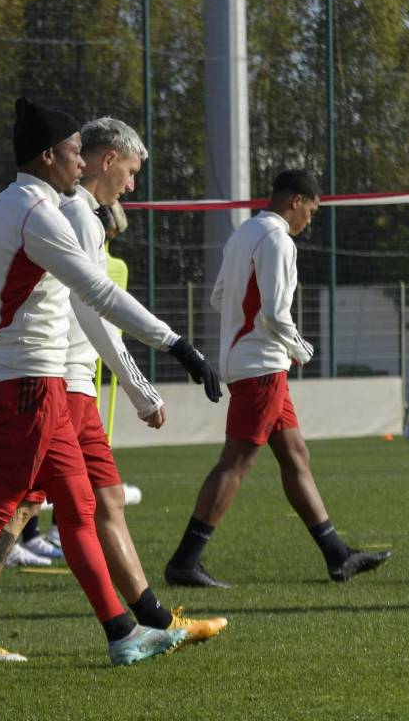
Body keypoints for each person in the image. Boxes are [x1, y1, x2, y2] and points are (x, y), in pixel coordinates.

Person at [0, 98, 222, 675]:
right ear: (47, 156)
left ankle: (123, 634)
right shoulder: (37, 211)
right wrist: (177, 344)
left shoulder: (19, 204)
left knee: (79, 507)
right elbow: (97, 294)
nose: (81, 164)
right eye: (74, 153)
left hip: (40, 380)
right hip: (25, 381)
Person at [164, 169, 391, 588]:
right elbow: (274, 313)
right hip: (262, 366)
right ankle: (184, 561)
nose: (309, 221)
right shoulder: (278, 240)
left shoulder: (243, 233)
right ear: (295, 201)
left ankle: (337, 555)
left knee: (295, 455)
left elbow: (218, 296)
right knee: (236, 463)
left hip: (250, 361)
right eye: (311, 211)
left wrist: (242, 328)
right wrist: (301, 348)